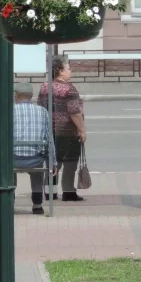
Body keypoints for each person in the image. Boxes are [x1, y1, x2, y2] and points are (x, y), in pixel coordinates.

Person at [38, 55, 86, 202]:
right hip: (67, 132)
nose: (70, 72)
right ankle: (68, 192)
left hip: (49, 132)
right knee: (70, 163)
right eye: (68, 69)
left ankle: (49, 193)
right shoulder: (69, 89)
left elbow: (41, 107)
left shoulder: (45, 86)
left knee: (52, 162)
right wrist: (82, 130)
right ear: (60, 70)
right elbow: (75, 113)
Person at [13, 82, 54, 215]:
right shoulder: (42, 111)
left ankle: (9, 201)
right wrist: (53, 161)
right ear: (31, 96)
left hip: (12, 160)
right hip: (35, 159)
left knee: (8, 170)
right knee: (37, 172)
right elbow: (49, 138)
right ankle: (37, 204)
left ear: (16, 96)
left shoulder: (8, 111)